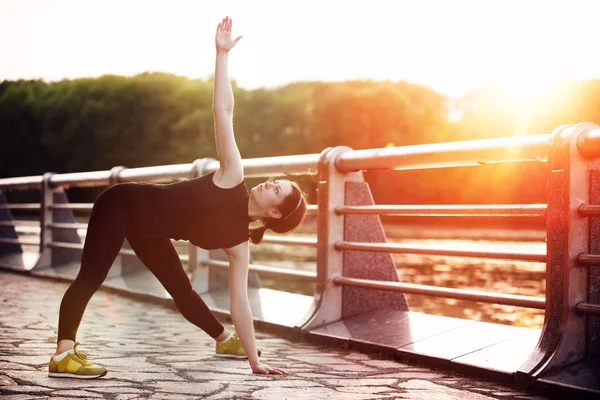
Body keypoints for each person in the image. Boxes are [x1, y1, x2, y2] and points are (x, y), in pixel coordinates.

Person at [48, 16, 306, 379]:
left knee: (182, 291)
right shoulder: (233, 177)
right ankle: (63, 355)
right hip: (122, 204)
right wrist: (221, 55)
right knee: (92, 276)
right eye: (275, 181)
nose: (269, 184)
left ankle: (224, 339)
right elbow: (224, 111)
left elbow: (240, 304)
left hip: (149, 230)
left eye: (277, 190)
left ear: (276, 214)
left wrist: (255, 362)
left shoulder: (239, 246)